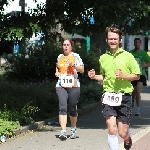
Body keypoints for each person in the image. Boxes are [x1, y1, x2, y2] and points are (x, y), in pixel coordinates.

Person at [88, 24, 140, 150]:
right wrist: (95, 76)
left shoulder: (128, 56)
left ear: (120, 40)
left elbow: (137, 76)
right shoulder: (103, 58)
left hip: (124, 97)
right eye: (110, 39)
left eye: (115, 39)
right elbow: (104, 77)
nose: (112, 41)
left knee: (122, 133)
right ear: (107, 40)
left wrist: (123, 76)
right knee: (112, 129)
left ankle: (127, 137)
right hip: (108, 96)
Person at [55, 38, 84, 140]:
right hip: (61, 85)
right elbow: (57, 69)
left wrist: (73, 65)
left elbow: (82, 70)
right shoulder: (60, 57)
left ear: (71, 46)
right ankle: (63, 131)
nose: (66, 46)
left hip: (73, 85)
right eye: (64, 45)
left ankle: (73, 129)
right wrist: (57, 73)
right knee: (62, 107)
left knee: (72, 108)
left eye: (68, 45)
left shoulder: (76, 56)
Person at [129, 38, 150, 116]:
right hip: (132, 74)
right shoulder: (130, 53)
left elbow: (149, 63)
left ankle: (138, 109)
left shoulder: (144, 53)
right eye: (136, 42)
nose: (137, 44)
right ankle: (132, 102)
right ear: (134, 44)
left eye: (138, 42)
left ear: (140, 44)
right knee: (133, 93)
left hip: (141, 74)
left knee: (138, 90)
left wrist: (146, 65)